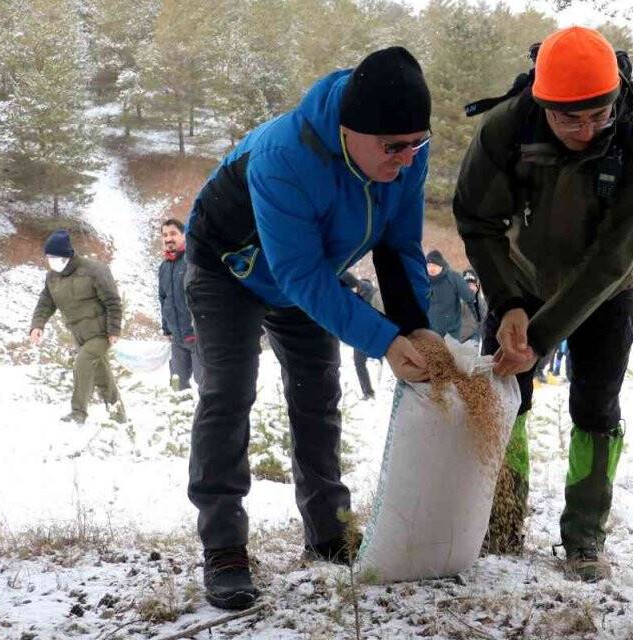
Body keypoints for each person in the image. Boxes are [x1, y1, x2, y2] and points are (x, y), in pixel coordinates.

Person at [181, 47, 437, 610]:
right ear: (350, 131)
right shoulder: (283, 156)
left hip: (308, 271)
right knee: (229, 392)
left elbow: (399, 246)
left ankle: (328, 533)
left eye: (417, 143)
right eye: (393, 147)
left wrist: (417, 328)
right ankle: (224, 547)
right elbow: (298, 276)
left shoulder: (405, 153)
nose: (407, 158)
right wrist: (384, 342)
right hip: (228, 268)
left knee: (318, 394)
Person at [453, 26, 633, 581]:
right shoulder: (506, 128)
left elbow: (612, 260)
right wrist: (509, 303)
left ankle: (584, 539)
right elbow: (477, 220)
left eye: (599, 114)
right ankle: (500, 522)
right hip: (521, 279)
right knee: (506, 399)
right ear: (543, 104)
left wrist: (541, 339)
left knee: (595, 409)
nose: (585, 129)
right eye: (568, 118)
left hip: (610, 289)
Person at [29, 229, 127, 424]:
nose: (51, 260)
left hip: (101, 333)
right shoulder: (52, 277)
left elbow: (113, 301)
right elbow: (45, 303)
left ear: (66, 255)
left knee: (82, 363)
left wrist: (114, 330)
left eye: (54, 256)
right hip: (79, 334)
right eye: (48, 257)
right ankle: (119, 416)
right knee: (103, 376)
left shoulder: (94, 270)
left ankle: (78, 413)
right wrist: (37, 325)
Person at [157, 219, 200, 390]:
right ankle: (182, 415)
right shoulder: (164, 267)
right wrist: (166, 328)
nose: (168, 238)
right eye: (165, 235)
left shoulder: (193, 261)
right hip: (177, 337)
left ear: (183, 235)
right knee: (177, 383)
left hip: (198, 335)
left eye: (173, 233)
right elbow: (163, 298)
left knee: (206, 384)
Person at [341, 272, 381, 400]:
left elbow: (382, 316)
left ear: (355, 286)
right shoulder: (348, 296)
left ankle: (390, 385)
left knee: (386, 361)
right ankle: (368, 392)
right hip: (360, 336)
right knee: (359, 363)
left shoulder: (373, 295)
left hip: (377, 334)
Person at [424, 249, 476, 340]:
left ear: (441, 266)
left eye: (435, 265)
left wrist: (471, 290)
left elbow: (469, 297)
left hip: (452, 328)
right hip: (431, 327)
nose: (431, 268)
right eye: (429, 265)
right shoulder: (421, 279)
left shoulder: (453, 277)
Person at [458, 269, 487, 345]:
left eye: (472, 285)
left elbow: (485, 318)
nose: (470, 288)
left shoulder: (482, 302)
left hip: (480, 338)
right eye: (467, 285)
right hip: (466, 340)